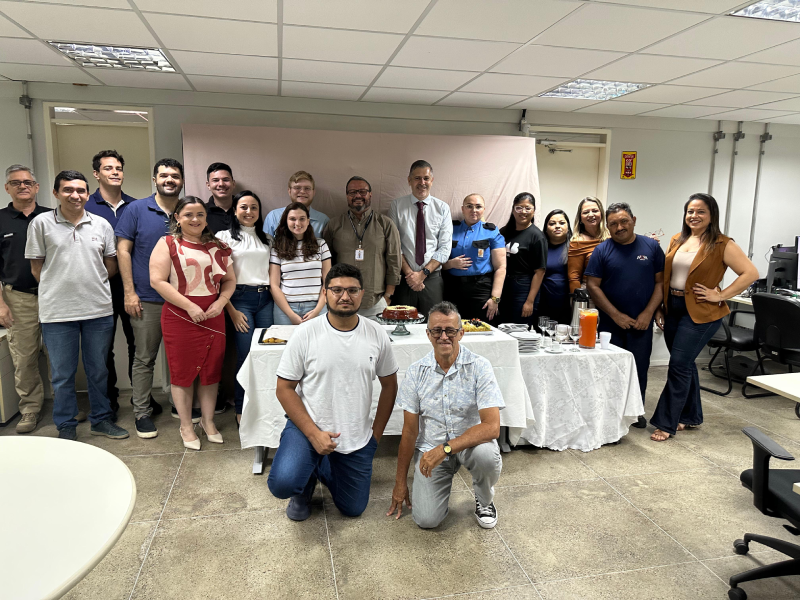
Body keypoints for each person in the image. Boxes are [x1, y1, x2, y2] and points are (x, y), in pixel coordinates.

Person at [268, 263, 399, 521]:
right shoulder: (306, 333)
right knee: (283, 482)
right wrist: (314, 434)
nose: (345, 296)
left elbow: (390, 385)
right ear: (325, 292)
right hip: (307, 427)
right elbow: (284, 389)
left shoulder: (376, 334)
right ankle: (302, 486)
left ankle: (320, 468)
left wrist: (375, 437)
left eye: (352, 290)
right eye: (337, 290)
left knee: (353, 509)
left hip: (356, 437)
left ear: (362, 293)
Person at [25, 170, 129, 441]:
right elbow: (37, 269)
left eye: (81, 190)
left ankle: (101, 420)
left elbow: (110, 266)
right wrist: (62, 287)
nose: (76, 195)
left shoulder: (101, 225)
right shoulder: (41, 223)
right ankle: (66, 426)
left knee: (99, 370)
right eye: (68, 190)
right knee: (62, 375)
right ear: (56, 193)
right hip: (57, 313)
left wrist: (89, 285)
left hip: (98, 311)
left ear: (87, 192)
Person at [650, 193, 758, 442]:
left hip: (702, 312)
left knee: (678, 364)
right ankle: (690, 416)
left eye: (701, 212)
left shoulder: (722, 243)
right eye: (690, 211)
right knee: (685, 364)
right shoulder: (678, 239)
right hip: (673, 307)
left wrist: (720, 295)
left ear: (711, 216)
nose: (694, 216)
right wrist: (660, 307)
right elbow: (667, 277)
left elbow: (750, 273)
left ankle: (667, 422)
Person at [387, 301, 503, 529]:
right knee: (426, 520)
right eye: (437, 331)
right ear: (428, 334)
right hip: (431, 446)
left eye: (450, 330)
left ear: (461, 333)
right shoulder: (416, 372)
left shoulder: (480, 366)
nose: (444, 337)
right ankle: (437, 492)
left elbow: (492, 427)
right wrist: (400, 482)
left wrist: (446, 448)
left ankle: (484, 499)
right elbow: (410, 431)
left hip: (470, 444)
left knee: (486, 457)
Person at [116, 158, 199, 438]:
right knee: (145, 357)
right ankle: (141, 412)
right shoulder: (136, 209)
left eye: (175, 176)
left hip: (184, 300)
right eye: (164, 175)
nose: (169, 180)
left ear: (182, 180)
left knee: (184, 357)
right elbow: (123, 251)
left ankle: (182, 406)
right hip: (148, 298)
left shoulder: (189, 210)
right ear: (155, 179)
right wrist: (129, 292)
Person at [149, 196, 235, 450]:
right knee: (183, 373)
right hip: (180, 316)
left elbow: (229, 280)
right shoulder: (167, 243)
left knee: (211, 372)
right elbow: (157, 280)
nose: (195, 219)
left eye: (200, 214)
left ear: (206, 218)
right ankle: (186, 425)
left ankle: (208, 422)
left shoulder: (217, 245)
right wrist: (189, 306)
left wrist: (220, 303)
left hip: (213, 316)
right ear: (177, 217)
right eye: (188, 214)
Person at [86, 149, 159, 416]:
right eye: (108, 168)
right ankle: (108, 400)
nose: (115, 172)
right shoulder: (85, 206)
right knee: (103, 348)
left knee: (137, 345)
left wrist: (131, 289)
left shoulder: (137, 206)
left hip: (132, 287)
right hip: (97, 288)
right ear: (97, 174)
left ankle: (142, 400)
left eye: (118, 168)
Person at [585, 203, 665, 428]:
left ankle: (635, 413)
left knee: (639, 368)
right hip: (610, 323)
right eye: (613, 224)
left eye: (624, 222)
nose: (619, 227)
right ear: (607, 227)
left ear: (634, 220)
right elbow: (593, 286)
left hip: (642, 322)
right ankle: (610, 413)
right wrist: (616, 315)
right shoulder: (602, 250)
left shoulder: (651, 247)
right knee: (610, 368)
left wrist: (648, 313)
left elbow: (660, 283)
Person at [0, 165, 51, 433]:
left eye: (28, 182)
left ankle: (65, 405)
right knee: (24, 356)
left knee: (59, 353)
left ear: (37, 187)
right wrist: (1, 304)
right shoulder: (1, 220)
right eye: (16, 182)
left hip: (53, 295)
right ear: (7, 187)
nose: (23, 186)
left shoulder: (53, 217)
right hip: (17, 298)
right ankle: (30, 409)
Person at [216, 191, 273, 424]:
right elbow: (217, 278)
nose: (249, 212)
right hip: (239, 301)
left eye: (254, 208)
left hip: (266, 300)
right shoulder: (223, 237)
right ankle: (242, 409)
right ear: (235, 210)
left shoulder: (268, 238)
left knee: (267, 354)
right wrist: (231, 309)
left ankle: (266, 408)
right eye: (244, 207)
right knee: (246, 356)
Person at [322, 176, 402, 320]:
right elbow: (326, 264)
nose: (358, 195)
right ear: (347, 196)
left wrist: (388, 296)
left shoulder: (385, 224)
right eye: (352, 192)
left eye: (362, 192)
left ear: (370, 195)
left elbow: (394, 261)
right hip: (341, 301)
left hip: (376, 302)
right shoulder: (333, 226)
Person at [388, 160, 453, 318]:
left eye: (426, 178)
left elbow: (444, 248)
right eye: (417, 178)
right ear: (409, 180)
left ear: (432, 180)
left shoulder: (442, 208)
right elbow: (394, 246)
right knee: (401, 327)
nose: (422, 182)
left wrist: (422, 274)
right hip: (404, 280)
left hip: (432, 280)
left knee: (434, 326)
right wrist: (411, 275)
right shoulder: (396, 206)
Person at [443, 194, 506, 322]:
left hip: (481, 288)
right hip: (452, 287)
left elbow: (501, 267)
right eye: (469, 206)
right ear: (462, 209)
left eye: (478, 207)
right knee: (452, 328)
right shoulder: (449, 229)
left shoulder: (491, 231)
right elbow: (436, 261)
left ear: (483, 209)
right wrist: (450, 264)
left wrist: (495, 298)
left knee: (481, 330)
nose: (474, 210)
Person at [269, 202, 331, 325]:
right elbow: (274, 285)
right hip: (285, 309)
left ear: (308, 221)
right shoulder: (277, 248)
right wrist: (290, 314)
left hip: (317, 305)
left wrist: (317, 310)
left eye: (302, 219)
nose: (297, 223)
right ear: (286, 221)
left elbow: (328, 282)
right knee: (285, 344)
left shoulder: (321, 245)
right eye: (292, 219)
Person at [498, 192, 547, 326]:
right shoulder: (504, 232)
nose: (523, 212)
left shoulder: (537, 236)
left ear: (534, 210)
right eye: (519, 208)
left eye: (527, 208)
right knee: (502, 327)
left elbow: (540, 272)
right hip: (503, 286)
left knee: (519, 329)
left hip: (524, 288)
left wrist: (529, 301)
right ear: (513, 210)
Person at [263, 171, 329, 238]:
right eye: (297, 188)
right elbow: (266, 246)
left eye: (307, 188)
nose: (302, 191)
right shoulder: (273, 217)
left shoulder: (323, 220)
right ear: (289, 191)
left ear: (314, 192)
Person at [537, 209, 572, 326]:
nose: (557, 226)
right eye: (552, 224)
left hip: (568, 306)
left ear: (568, 226)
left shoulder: (575, 247)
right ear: (546, 228)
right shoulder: (540, 247)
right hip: (543, 305)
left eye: (562, 223)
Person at [568, 196, 610, 293]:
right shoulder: (577, 242)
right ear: (580, 218)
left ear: (601, 214)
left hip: (614, 291)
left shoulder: (612, 236)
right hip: (590, 294)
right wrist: (577, 301)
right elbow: (574, 278)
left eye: (595, 210)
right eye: (586, 212)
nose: (591, 215)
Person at [204, 162, 236, 234]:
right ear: (208, 185)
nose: (221, 184)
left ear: (233, 184)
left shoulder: (245, 210)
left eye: (226, 180)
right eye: (215, 180)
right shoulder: (201, 212)